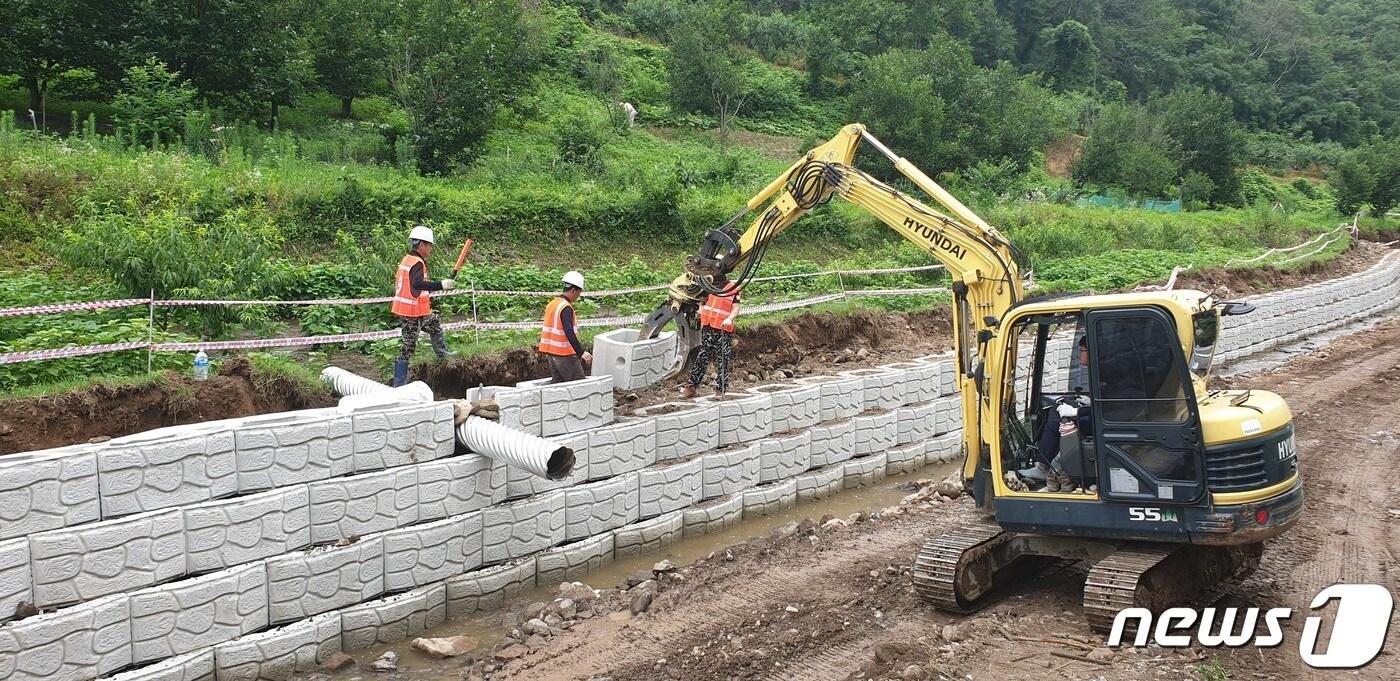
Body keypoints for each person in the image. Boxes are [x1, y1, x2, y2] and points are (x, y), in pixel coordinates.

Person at [391, 225, 456, 387]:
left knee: (435, 324)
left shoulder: (407, 260)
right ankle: (399, 385)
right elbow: (418, 284)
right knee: (408, 347)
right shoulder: (417, 262)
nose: (431, 249)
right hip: (411, 313)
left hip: (418, 311)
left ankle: (443, 356)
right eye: (430, 245)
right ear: (422, 245)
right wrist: (441, 284)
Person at [1032, 335, 1094, 492]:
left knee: (1054, 425)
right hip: (1098, 416)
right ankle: (1046, 464)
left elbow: (1109, 408)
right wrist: (1089, 403)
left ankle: (1044, 467)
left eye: (1082, 350)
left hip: (1101, 422)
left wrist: (1077, 411)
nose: (1080, 354)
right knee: (1057, 409)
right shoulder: (1098, 370)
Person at [680, 278, 741, 398]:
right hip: (708, 325)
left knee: (723, 358)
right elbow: (702, 302)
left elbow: (736, 307)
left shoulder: (732, 288)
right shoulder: (707, 285)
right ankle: (692, 387)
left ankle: (721, 390)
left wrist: (730, 318)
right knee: (702, 356)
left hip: (723, 328)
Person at [539, 271, 592, 383]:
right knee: (578, 385)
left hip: (552, 353)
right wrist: (581, 352)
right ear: (574, 290)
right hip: (564, 354)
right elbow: (569, 331)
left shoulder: (552, 304)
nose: (578, 297)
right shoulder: (566, 307)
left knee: (558, 385)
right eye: (579, 293)